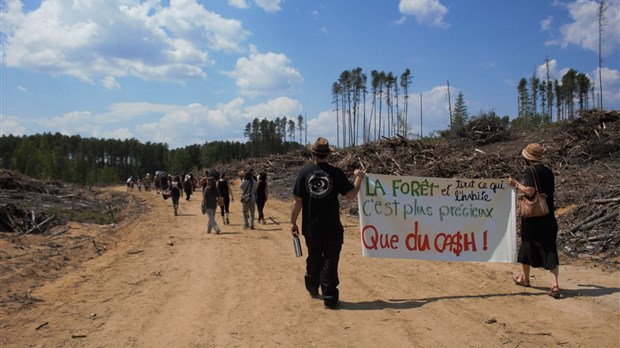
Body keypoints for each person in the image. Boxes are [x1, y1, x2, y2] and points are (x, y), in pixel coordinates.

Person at [290, 137, 365, 309]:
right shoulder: (336, 173)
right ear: (327, 155)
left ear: (313, 154)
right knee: (330, 260)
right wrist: (359, 179)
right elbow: (351, 195)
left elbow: (297, 201)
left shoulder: (303, 173)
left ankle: (311, 285)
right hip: (332, 227)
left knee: (314, 257)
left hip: (311, 227)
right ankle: (330, 298)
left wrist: (292, 222)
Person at [508, 143, 561, 299]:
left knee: (527, 246)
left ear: (527, 157)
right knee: (550, 249)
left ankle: (525, 279)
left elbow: (530, 191)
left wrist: (516, 184)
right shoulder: (548, 172)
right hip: (548, 216)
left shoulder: (530, 170)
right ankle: (554, 285)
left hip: (533, 219)